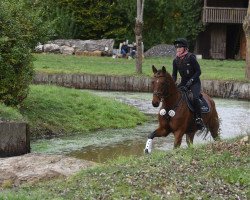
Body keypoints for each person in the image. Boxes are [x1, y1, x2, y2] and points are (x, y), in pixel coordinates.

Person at [172, 38, 204, 130]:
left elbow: (198, 71)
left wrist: (191, 81)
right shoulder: (175, 60)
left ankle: (198, 118)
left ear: (185, 48)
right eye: (177, 48)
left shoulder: (191, 57)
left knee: (194, 98)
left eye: (180, 47)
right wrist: (172, 83)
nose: (178, 49)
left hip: (194, 82)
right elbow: (174, 75)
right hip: (183, 82)